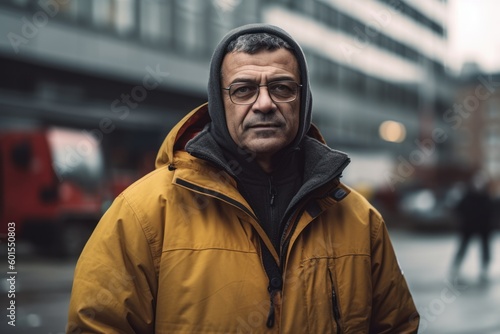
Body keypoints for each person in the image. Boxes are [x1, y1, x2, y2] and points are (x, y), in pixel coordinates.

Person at [67, 23, 419, 333]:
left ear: (303, 100)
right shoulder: (142, 214)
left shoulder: (358, 220)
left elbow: (396, 325)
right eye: (244, 89)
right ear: (219, 104)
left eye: (282, 88)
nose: (265, 103)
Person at [450, 172, 494, 282]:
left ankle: (484, 268)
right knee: (463, 247)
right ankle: (456, 267)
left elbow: (492, 212)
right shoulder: (467, 197)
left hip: (484, 228)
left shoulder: (486, 197)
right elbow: (458, 209)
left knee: (485, 249)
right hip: (469, 227)